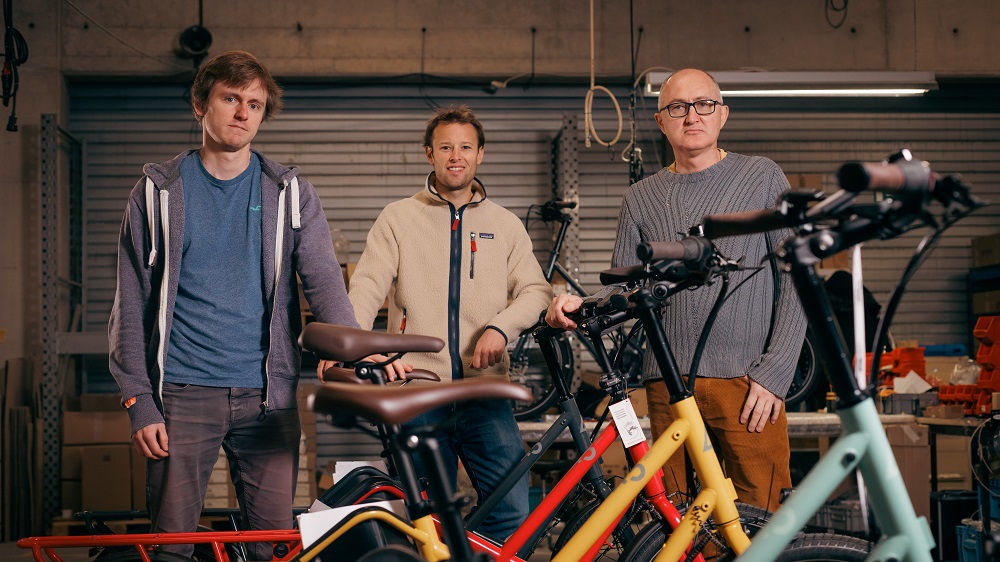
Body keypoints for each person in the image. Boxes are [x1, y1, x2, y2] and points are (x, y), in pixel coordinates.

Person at [108, 50, 359, 560]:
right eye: (230, 98)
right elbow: (129, 305)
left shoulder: (291, 194)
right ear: (200, 104)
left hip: (268, 398)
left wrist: (363, 350)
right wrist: (139, 401)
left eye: (255, 104)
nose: (243, 113)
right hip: (181, 395)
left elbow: (325, 282)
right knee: (172, 548)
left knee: (269, 547)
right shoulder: (156, 193)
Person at [546, 68, 807, 513]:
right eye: (678, 107)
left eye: (704, 104)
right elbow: (627, 288)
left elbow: (800, 275)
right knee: (682, 522)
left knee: (762, 521)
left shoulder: (761, 177)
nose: (692, 116)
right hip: (668, 385)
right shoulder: (641, 197)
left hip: (747, 385)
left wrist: (776, 371)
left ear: (723, 114)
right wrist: (581, 304)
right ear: (660, 121)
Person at [343, 105, 552, 539]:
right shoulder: (398, 219)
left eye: (465, 147)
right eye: (445, 147)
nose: (455, 156)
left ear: (480, 155)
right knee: (422, 523)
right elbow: (365, 288)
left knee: (512, 513)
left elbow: (536, 291)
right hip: (417, 393)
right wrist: (352, 346)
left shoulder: (506, 225)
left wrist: (500, 327)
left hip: (484, 394)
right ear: (429, 154)